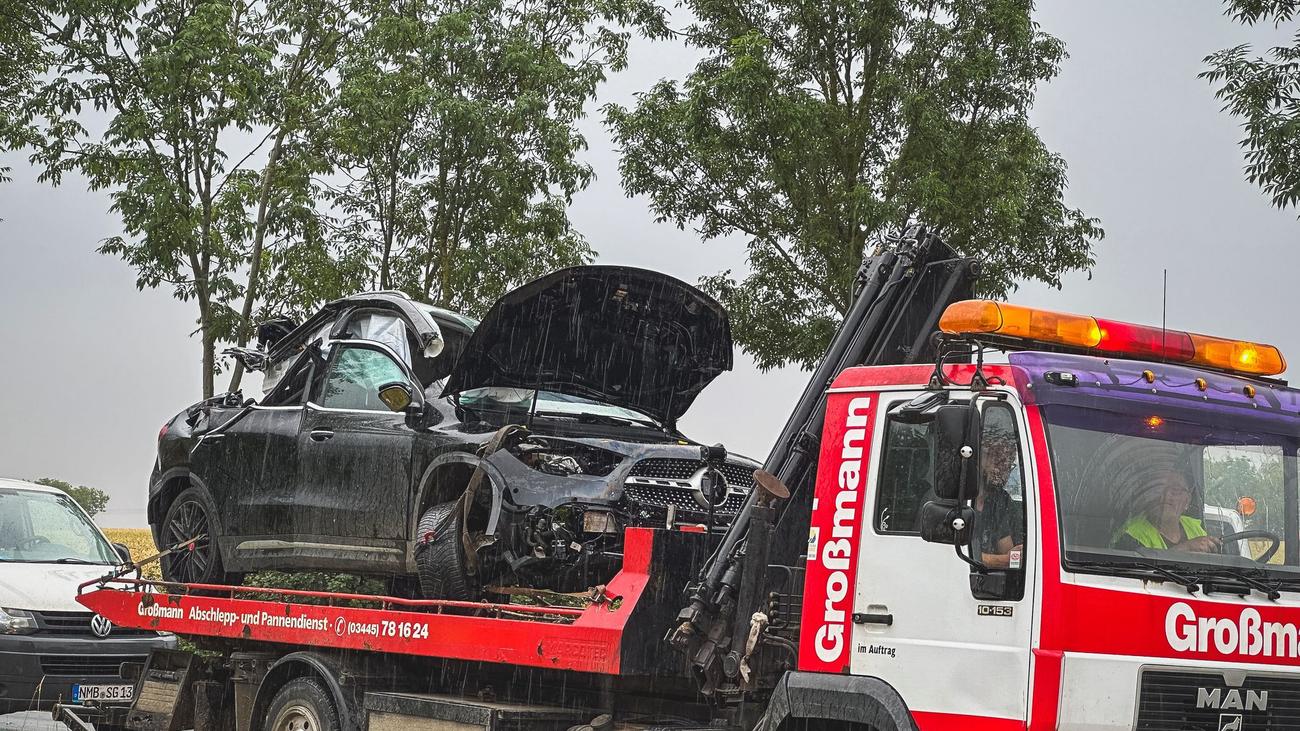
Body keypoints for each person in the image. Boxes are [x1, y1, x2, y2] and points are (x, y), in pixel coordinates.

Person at [1112, 468, 1220, 553]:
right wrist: (1186, 548)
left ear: (1187, 501)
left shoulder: (1195, 528)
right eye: (1159, 489)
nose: (1166, 495)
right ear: (1148, 496)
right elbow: (1138, 574)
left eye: (1175, 490)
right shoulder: (1131, 535)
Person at [972, 426, 1025, 569]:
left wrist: (1014, 556)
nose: (1003, 469)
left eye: (1008, 464)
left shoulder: (999, 499)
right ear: (979, 457)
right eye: (999, 460)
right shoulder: (952, 497)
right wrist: (1004, 560)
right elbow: (960, 556)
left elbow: (1009, 551)